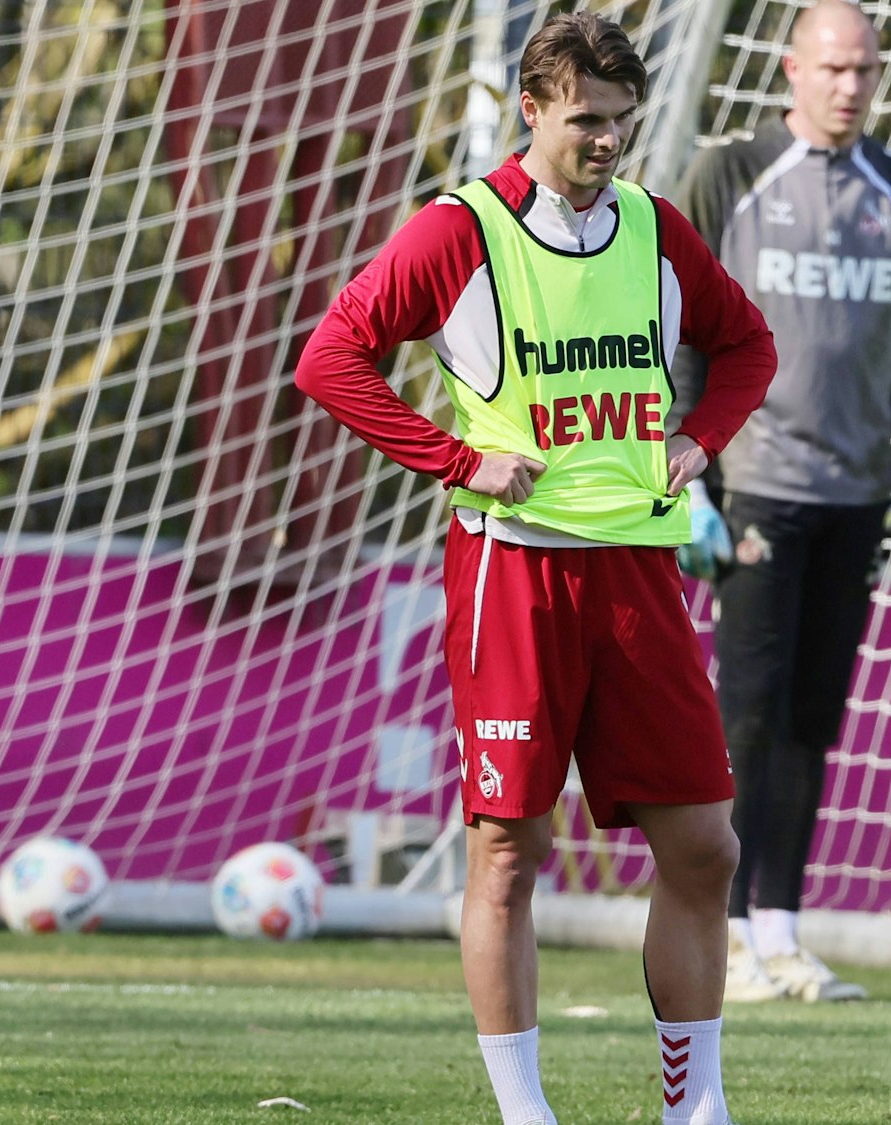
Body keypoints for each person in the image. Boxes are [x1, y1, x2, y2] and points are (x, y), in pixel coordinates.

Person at [295, 13, 775, 1124]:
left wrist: (697, 441)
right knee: (507, 851)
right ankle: (525, 1113)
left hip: (638, 576)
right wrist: (458, 458)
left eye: (620, 122)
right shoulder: (458, 229)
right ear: (530, 110)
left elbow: (747, 343)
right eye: (585, 122)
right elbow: (334, 358)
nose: (607, 142)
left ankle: (691, 1104)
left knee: (703, 846)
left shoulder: (654, 229)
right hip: (511, 575)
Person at [670, 0, 891, 1004]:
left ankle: (779, 930)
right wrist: (687, 478)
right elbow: (682, 339)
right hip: (751, 484)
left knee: (812, 718)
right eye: (831, 67)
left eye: (864, 70)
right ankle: (731, 929)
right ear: (789, 68)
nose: (849, 86)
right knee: (744, 713)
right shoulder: (729, 176)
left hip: (854, 494)